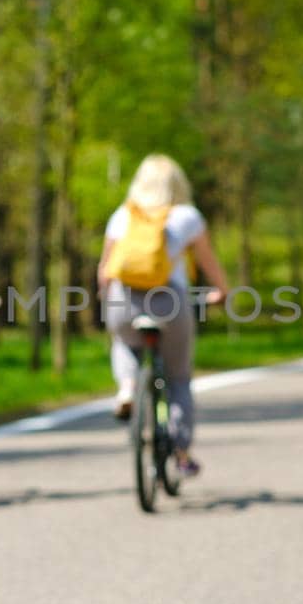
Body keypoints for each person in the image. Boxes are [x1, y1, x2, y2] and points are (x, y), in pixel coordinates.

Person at [96, 153, 229, 478]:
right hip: (170, 302)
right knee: (178, 376)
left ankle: (127, 387)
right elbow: (208, 263)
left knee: (124, 344)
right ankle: (182, 452)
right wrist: (222, 292)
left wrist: (106, 302)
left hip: (123, 300)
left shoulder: (122, 215)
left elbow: (104, 271)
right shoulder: (187, 216)